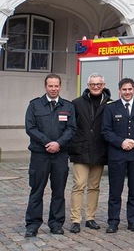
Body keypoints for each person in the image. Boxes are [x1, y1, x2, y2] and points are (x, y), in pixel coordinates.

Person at [24, 73, 76, 238]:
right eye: (50, 86)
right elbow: (30, 128)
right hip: (40, 155)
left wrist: (58, 144)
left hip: (60, 155)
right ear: (45, 87)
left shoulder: (67, 106)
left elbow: (72, 129)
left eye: (56, 86)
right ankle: (32, 225)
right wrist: (48, 143)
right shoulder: (35, 105)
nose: (53, 89)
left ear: (60, 87)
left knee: (58, 191)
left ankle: (56, 223)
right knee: (37, 190)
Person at [102, 78, 134, 233]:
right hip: (117, 154)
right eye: (124, 89)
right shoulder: (111, 108)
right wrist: (121, 142)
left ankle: (133, 220)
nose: (127, 92)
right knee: (115, 191)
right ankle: (113, 222)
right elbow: (105, 131)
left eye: (130, 89)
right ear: (119, 91)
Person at [68, 73, 110, 234]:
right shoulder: (76, 103)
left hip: (99, 151)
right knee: (79, 186)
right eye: (92, 84)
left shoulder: (109, 104)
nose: (95, 86)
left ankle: (90, 218)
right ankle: (75, 220)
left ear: (103, 85)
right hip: (81, 150)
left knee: (94, 187)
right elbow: (72, 127)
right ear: (88, 85)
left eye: (98, 84)